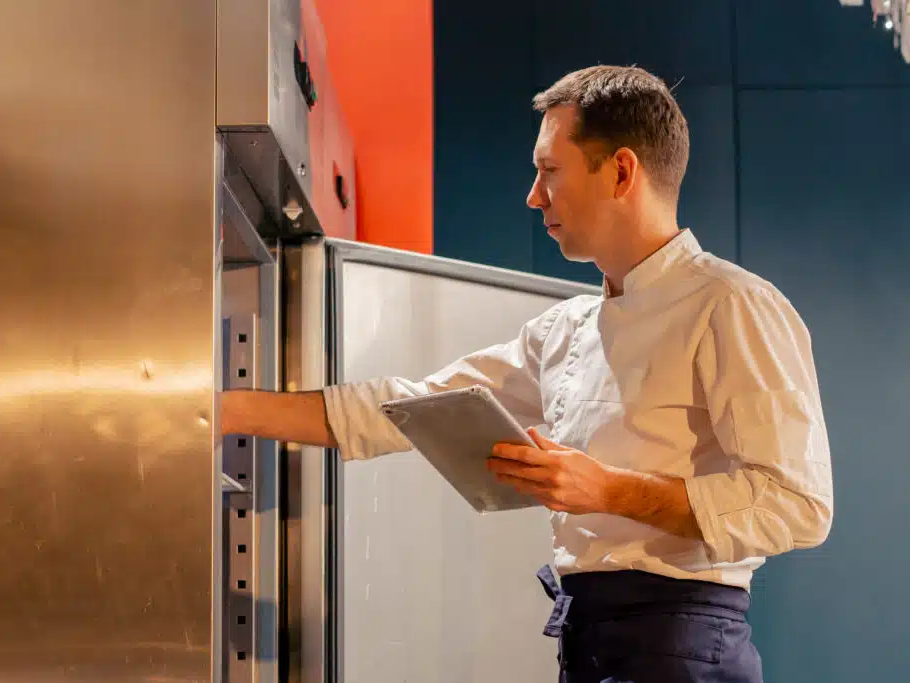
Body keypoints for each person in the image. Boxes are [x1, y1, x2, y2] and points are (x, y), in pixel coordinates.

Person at [221, 65, 833, 683]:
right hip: (588, 637)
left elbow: (798, 505)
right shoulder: (565, 328)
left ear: (621, 172)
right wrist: (226, 411)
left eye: (549, 171)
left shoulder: (732, 304)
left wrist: (609, 491)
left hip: (681, 644)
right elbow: (412, 407)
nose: (533, 196)